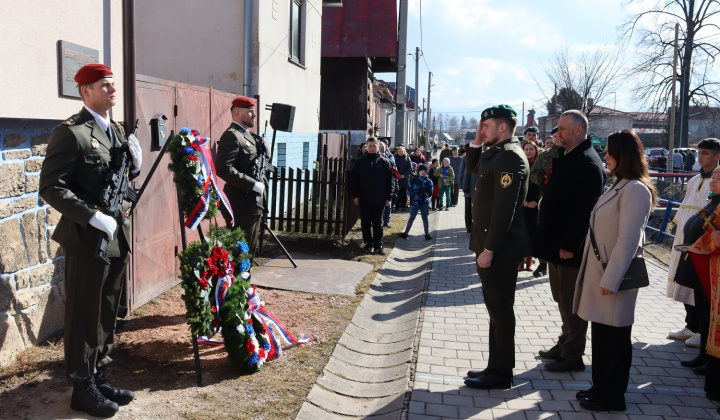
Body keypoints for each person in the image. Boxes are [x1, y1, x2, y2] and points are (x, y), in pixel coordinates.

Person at [39, 64, 141, 417]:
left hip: (116, 236)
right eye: (104, 85)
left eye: (113, 84)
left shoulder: (114, 129)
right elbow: (52, 187)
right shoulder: (71, 133)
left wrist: (135, 166)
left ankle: (98, 375)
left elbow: (114, 178)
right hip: (86, 238)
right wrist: (91, 216)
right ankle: (81, 387)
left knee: (107, 311)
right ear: (85, 91)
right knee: (84, 314)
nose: (113, 90)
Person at [572, 129, 655, 412]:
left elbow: (629, 240)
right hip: (602, 272)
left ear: (624, 155)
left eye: (609, 151)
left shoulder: (635, 189)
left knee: (615, 340)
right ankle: (600, 387)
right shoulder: (620, 184)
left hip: (614, 275)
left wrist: (612, 278)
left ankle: (612, 396)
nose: (605, 155)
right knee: (602, 335)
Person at [463, 105, 530, 390]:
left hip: (499, 248)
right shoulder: (498, 152)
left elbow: (505, 210)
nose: (483, 129)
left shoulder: (511, 157)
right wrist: (477, 140)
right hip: (491, 247)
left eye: (486, 125)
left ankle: (502, 374)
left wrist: (489, 249)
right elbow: (473, 166)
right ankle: (495, 366)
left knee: (501, 311)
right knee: (495, 309)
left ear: (502, 127)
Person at [535, 110, 606, 372]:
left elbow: (583, 211)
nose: (558, 134)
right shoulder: (570, 157)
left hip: (568, 249)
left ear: (578, 130)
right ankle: (564, 343)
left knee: (571, 302)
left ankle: (572, 355)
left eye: (562, 129)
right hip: (557, 245)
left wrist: (569, 244)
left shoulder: (587, 162)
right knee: (561, 299)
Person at [667, 139, 720, 347]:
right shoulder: (694, 179)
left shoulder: (716, 182)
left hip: (704, 240)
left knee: (700, 286)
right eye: (699, 152)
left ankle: (702, 329)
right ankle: (691, 324)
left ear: (717, 156)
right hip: (685, 236)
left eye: (705, 153)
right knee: (684, 279)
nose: (700, 156)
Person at [216, 96, 268, 255]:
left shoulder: (249, 136)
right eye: (250, 112)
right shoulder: (232, 135)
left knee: (250, 249)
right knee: (239, 251)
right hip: (241, 203)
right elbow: (223, 168)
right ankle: (236, 279)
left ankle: (244, 278)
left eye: (254, 112)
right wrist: (252, 184)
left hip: (254, 203)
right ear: (237, 113)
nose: (254, 115)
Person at [349, 137, 393, 254]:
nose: (372, 148)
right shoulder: (359, 162)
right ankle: (368, 244)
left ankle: (378, 245)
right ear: (366, 147)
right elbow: (353, 181)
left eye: (374, 146)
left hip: (379, 199)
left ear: (378, 147)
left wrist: (388, 197)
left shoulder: (385, 162)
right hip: (364, 198)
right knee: (365, 223)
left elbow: (390, 182)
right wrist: (355, 196)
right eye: (370, 146)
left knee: (378, 223)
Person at [529, 126, 562, 277]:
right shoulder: (545, 155)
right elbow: (533, 172)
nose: (557, 139)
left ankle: (558, 263)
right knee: (543, 231)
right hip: (547, 197)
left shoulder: (571, 154)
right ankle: (543, 264)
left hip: (564, 201)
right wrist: (544, 182)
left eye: (559, 135)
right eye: (555, 136)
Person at [398, 164, 433, 240]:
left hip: (424, 202)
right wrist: (413, 195)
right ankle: (406, 233)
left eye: (425, 171)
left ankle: (427, 234)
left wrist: (425, 196)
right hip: (415, 202)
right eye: (422, 171)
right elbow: (409, 190)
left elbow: (430, 192)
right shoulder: (414, 180)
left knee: (425, 218)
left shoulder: (429, 181)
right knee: (411, 218)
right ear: (418, 171)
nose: (423, 172)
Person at [521, 140, 541, 272]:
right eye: (526, 149)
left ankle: (529, 261)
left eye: (531, 149)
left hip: (535, 206)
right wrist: (522, 201)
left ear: (536, 151)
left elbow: (544, 186)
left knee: (532, 234)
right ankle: (519, 262)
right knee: (520, 234)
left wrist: (536, 201)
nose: (528, 151)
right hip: (521, 205)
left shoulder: (540, 166)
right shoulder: (519, 165)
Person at [379, 140, 396, 227]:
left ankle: (387, 221)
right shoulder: (375, 156)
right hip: (379, 182)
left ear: (385, 147)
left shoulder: (390, 155)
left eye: (382, 146)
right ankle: (380, 220)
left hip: (388, 181)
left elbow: (392, 164)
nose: (380, 148)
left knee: (388, 203)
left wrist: (385, 156)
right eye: (379, 146)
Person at [394, 146, 412, 211]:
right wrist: (397, 174)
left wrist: (404, 175)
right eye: (399, 151)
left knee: (404, 192)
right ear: (397, 152)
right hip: (397, 177)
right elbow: (393, 167)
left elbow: (410, 168)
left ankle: (404, 205)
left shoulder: (407, 158)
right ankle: (397, 205)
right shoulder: (395, 158)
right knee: (397, 192)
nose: (401, 153)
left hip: (405, 178)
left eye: (402, 151)